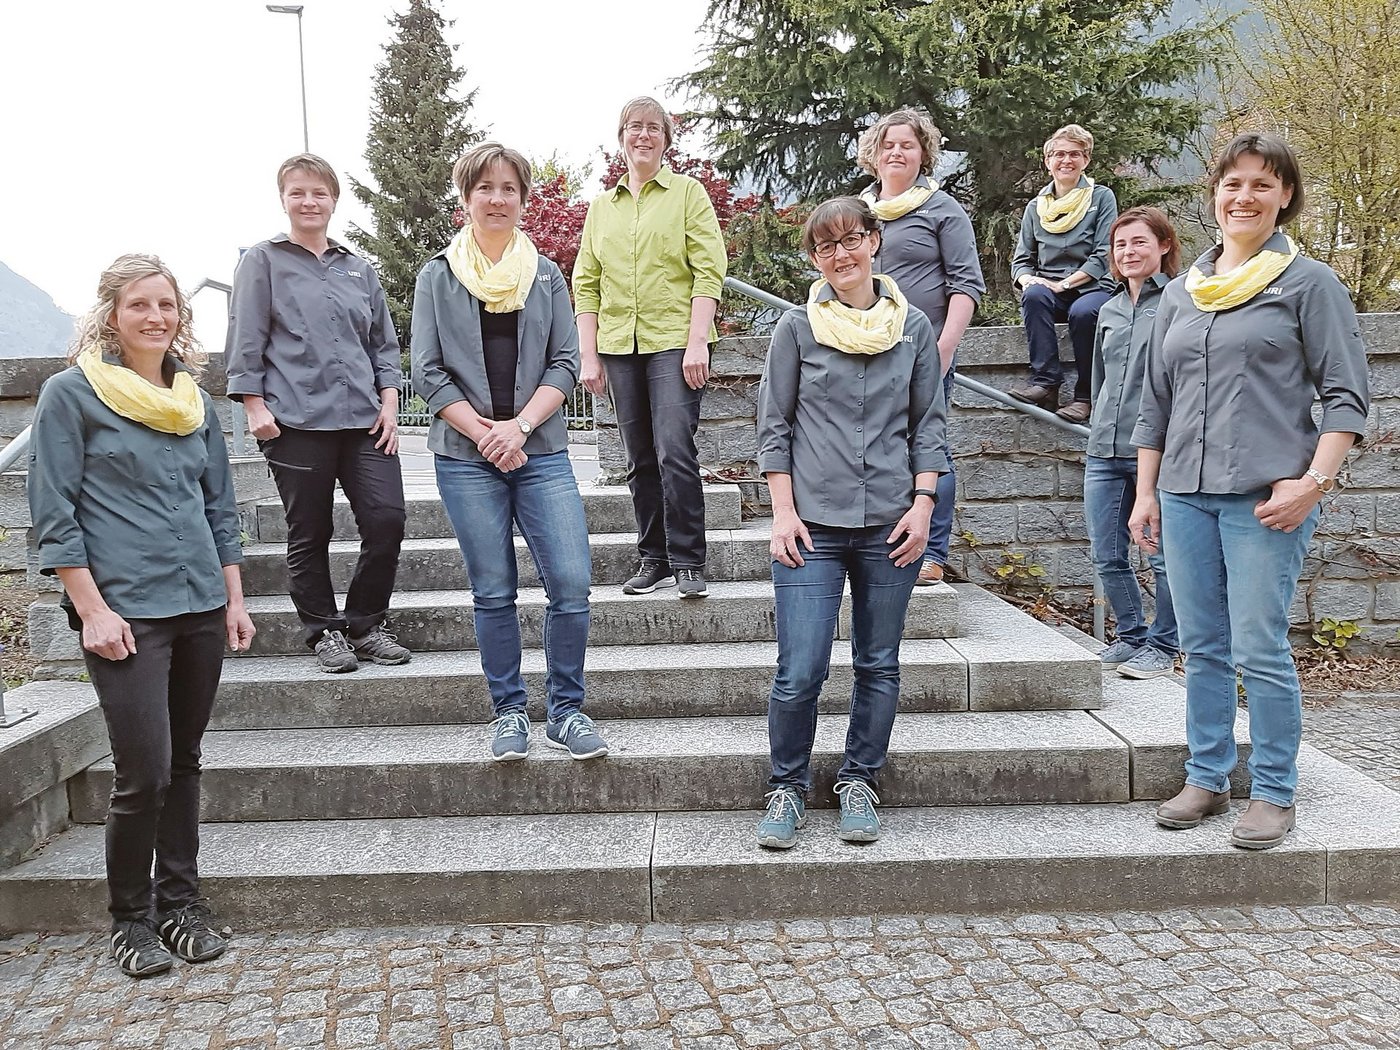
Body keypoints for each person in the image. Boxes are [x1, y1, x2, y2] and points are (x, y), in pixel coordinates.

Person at [1130, 133, 1370, 849]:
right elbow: (1155, 406)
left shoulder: (1309, 284)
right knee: (1201, 645)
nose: (1243, 197)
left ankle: (1273, 791)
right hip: (1183, 496)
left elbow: (1347, 398)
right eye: (1232, 184)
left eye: (1261, 185)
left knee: (1259, 646)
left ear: (1284, 197)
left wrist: (1313, 484)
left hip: (1267, 501)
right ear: (1214, 195)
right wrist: (1145, 494)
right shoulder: (1180, 294)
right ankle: (1206, 777)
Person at [28, 255, 257, 977]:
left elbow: (219, 507)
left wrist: (235, 598)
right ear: (111, 314)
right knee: (144, 770)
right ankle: (131, 919)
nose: (156, 317)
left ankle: (181, 905)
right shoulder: (70, 396)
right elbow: (54, 516)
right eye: (139, 305)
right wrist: (90, 608)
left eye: (166, 305)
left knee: (184, 763)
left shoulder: (192, 400)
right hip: (124, 611)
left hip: (198, 604)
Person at [754, 197, 948, 849]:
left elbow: (929, 424)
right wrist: (781, 513)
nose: (841, 254)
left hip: (892, 525)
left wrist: (924, 506)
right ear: (814, 258)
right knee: (800, 666)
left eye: (852, 239)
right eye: (825, 245)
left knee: (879, 662)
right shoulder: (797, 330)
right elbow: (774, 426)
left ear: (875, 241)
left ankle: (859, 779)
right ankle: (786, 786)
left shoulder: (914, 329)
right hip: (811, 526)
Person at [411, 142, 607, 762]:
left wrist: (518, 427)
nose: (498, 199)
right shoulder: (437, 275)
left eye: (509, 189)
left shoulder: (547, 274)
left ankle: (567, 710)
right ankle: (509, 712)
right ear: (466, 197)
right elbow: (428, 370)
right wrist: (485, 433)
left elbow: (566, 361)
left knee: (572, 582)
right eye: (485, 188)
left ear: (524, 199)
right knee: (493, 588)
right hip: (466, 457)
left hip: (541, 449)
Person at [226, 153, 409, 674]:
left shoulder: (358, 267)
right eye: (298, 192)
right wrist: (254, 405)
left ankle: (367, 623)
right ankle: (324, 631)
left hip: (365, 420)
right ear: (283, 200)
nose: (309, 202)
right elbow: (245, 337)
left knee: (387, 519)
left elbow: (383, 344)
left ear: (334, 200)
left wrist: (391, 401)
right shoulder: (262, 261)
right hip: (295, 421)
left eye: (319, 193)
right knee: (311, 529)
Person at [573, 96, 727, 598]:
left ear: (666, 138)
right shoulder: (602, 207)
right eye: (634, 127)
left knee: (674, 449)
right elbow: (587, 282)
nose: (643, 135)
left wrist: (697, 342)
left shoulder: (688, 194)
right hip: (619, 345)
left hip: (674, 342)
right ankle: (652, 557)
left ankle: (687, 560)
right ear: (621, 137)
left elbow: (709, 268)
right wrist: (588, 352)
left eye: (653, 128)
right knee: (638, 456)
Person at [857, 108, 985, 587]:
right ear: (874, 152)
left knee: (929, 447)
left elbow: (966, 285)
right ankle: (879, 540)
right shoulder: (859, 212)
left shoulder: (942, 210)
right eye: (888, 144)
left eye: (907, 144)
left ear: (923, 154)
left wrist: (945, 346)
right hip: (864, 349)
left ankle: (931, 552)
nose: (896, 152)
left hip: (924, 351)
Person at [1085, 207, 1181, 680]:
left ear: (1163, 246)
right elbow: (1100, 380)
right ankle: (1131, 636)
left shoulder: (1180, 302)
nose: (1128, 252)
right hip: (1104, 449)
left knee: (1161, 555)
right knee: (1107, 552)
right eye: (1121, 245)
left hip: (1158, 452)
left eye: (1139, 242)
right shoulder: (1109, 309)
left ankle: (1165, 645)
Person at [1009, 123, 1118, 422]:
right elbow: (1021, 261)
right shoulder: (1035, 207)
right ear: (1047, 162)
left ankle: (1085, 397)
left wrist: (1065, 283)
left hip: (1092, 288)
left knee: (1084, 313)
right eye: (1058, 154)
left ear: (1086, 160)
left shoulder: (1101, 198)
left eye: (1074, 154)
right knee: (1033, 295)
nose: (1066, 160)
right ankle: (1045, 382)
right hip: (1049, 290)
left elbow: (1104, 254)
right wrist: (1028, 278)